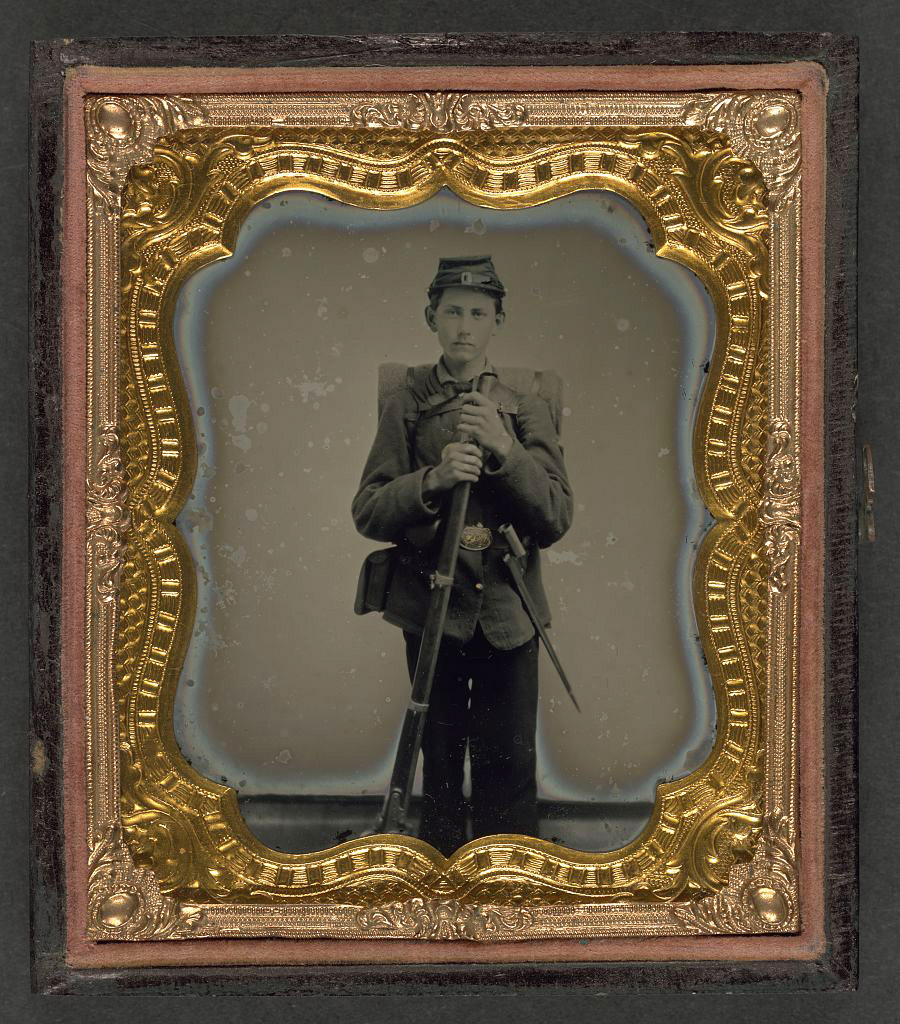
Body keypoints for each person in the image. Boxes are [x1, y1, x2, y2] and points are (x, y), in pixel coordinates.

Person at [351, 255, 574, 856]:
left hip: (508, 612)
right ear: (431, 318)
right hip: (433, 613)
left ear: (498, 320)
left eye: (478, 313)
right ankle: (441, 885)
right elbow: (368, 511)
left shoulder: (526, 404)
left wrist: (506, 448)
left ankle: (509, 884)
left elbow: (556, 517)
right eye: (452, 312)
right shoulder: (407, 400)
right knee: (441, 762)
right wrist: (434, 479)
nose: (464, 327)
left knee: (509, 766)